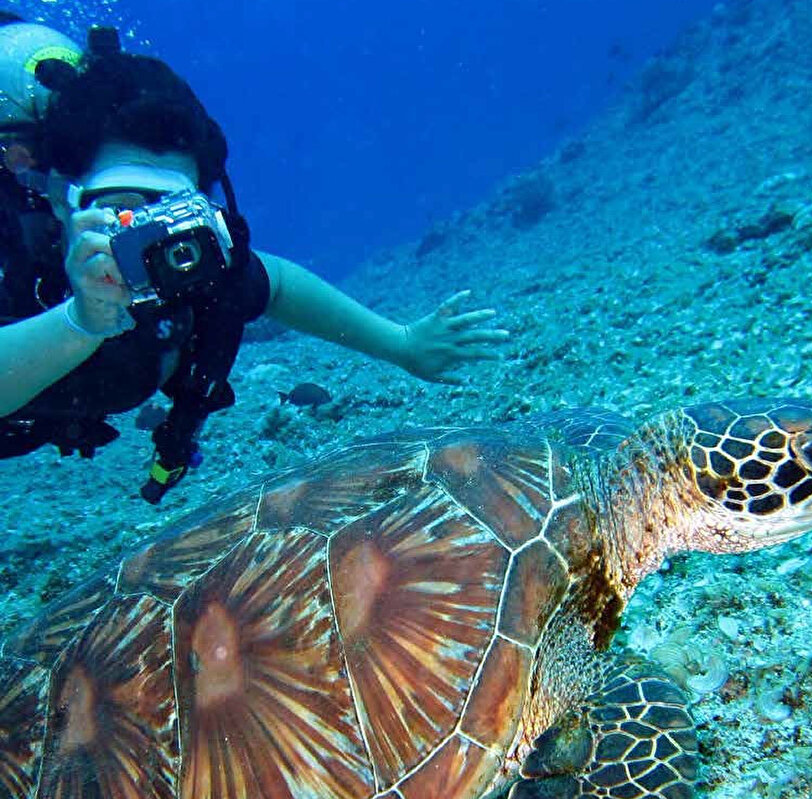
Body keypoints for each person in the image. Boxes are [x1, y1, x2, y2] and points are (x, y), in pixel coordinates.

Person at [0, 16, 508, 502]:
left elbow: (279, 284)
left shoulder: (195, 269)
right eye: (121, 211)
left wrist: (403, 344)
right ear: (62, 202)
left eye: (172, 210)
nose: (150, 238)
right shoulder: (15, 264)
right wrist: (78, 322)